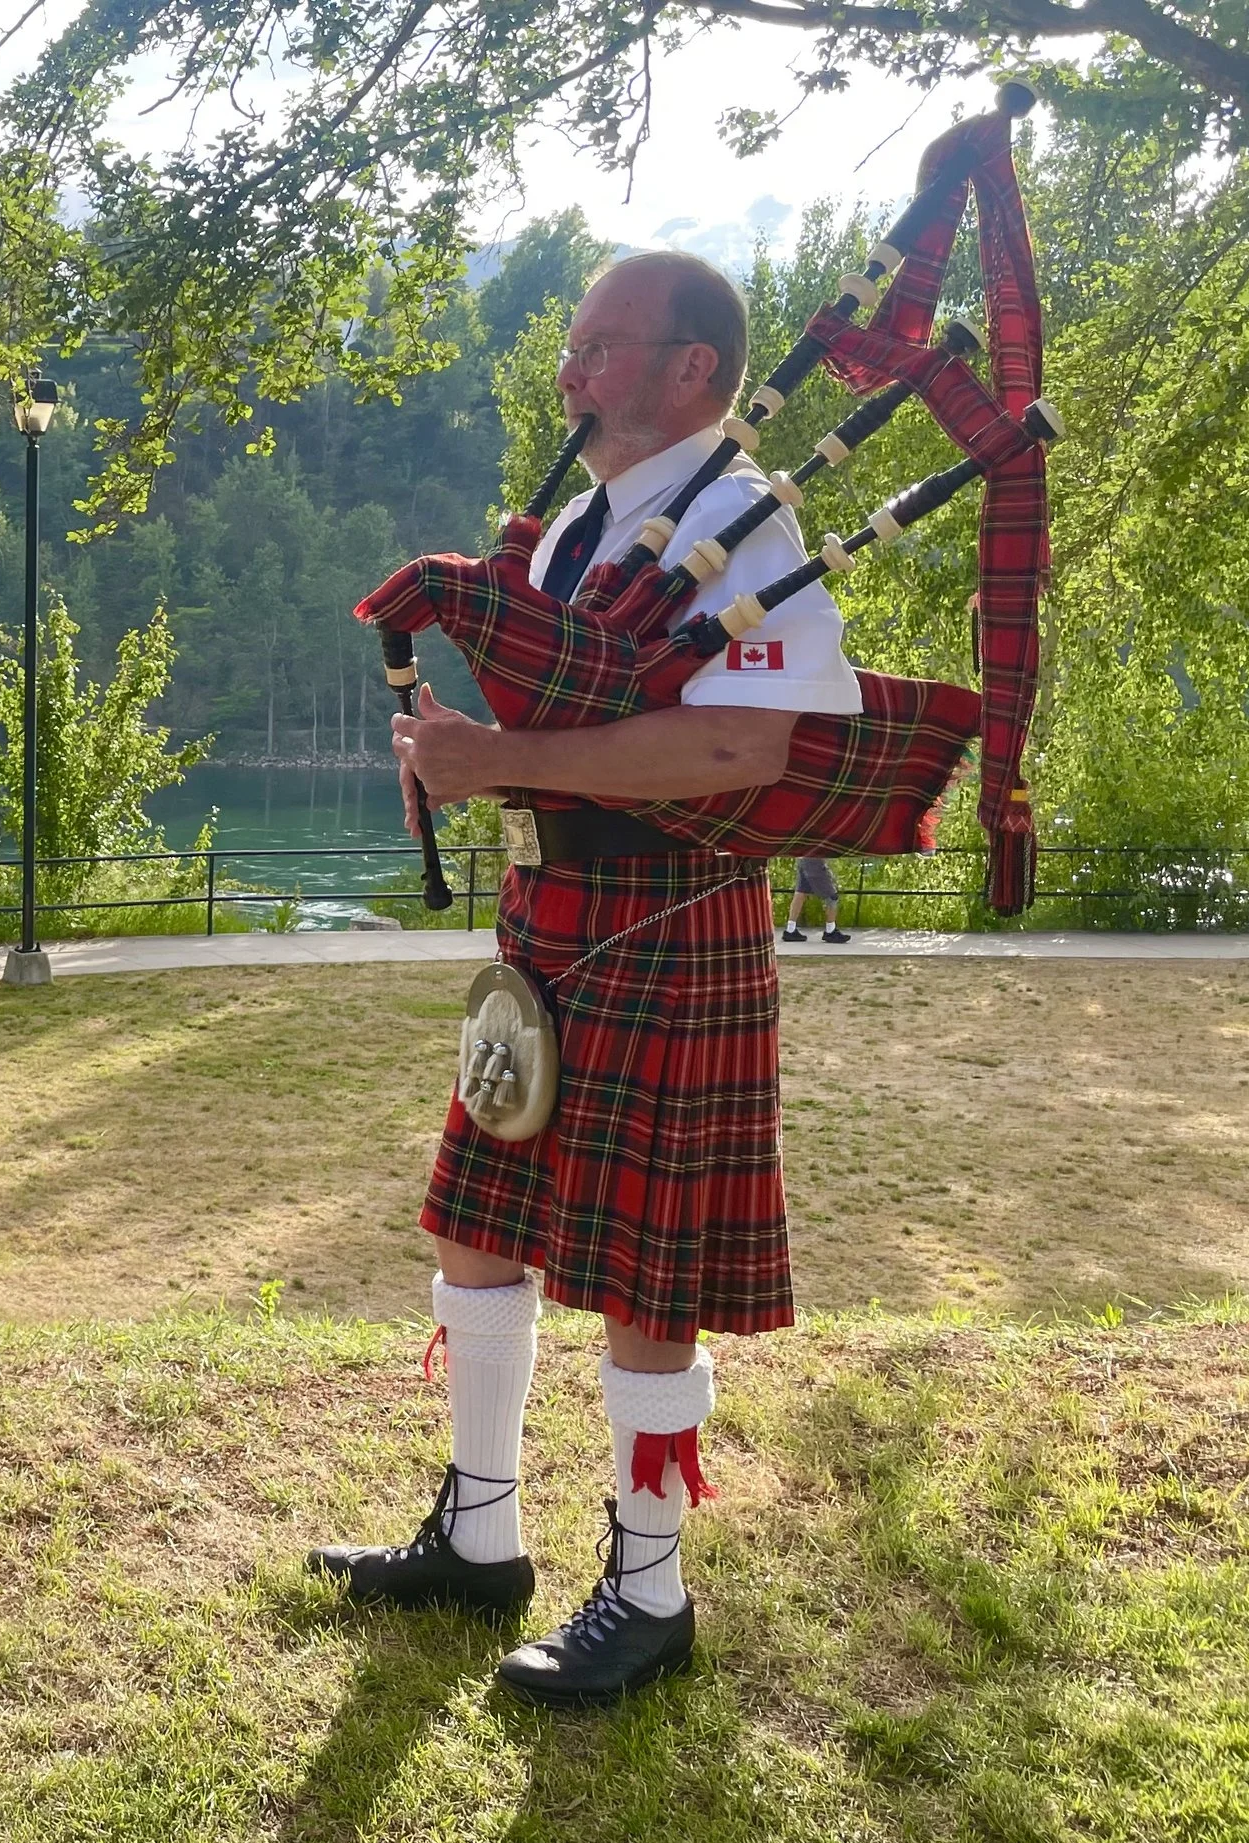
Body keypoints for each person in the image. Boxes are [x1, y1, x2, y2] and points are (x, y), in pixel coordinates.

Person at [309, 251, 860, 1703]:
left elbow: (751, 749)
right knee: (480, 1222)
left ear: (694, 369)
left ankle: (651, 1585)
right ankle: (478, 1535)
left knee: (641, 1271)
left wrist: (513, 759)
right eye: (572, 345)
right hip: (549, 913)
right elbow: (547, 718)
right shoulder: (571, 534)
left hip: (675, 919)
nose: (571, 371)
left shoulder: (744, 525)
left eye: (603, 346)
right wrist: (456, 753)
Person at [783, 856, 850, 942]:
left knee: (801, 892)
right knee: (832, 896)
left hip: (804, 857)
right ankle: (830, 931)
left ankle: (790, 929)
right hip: (815, 859)